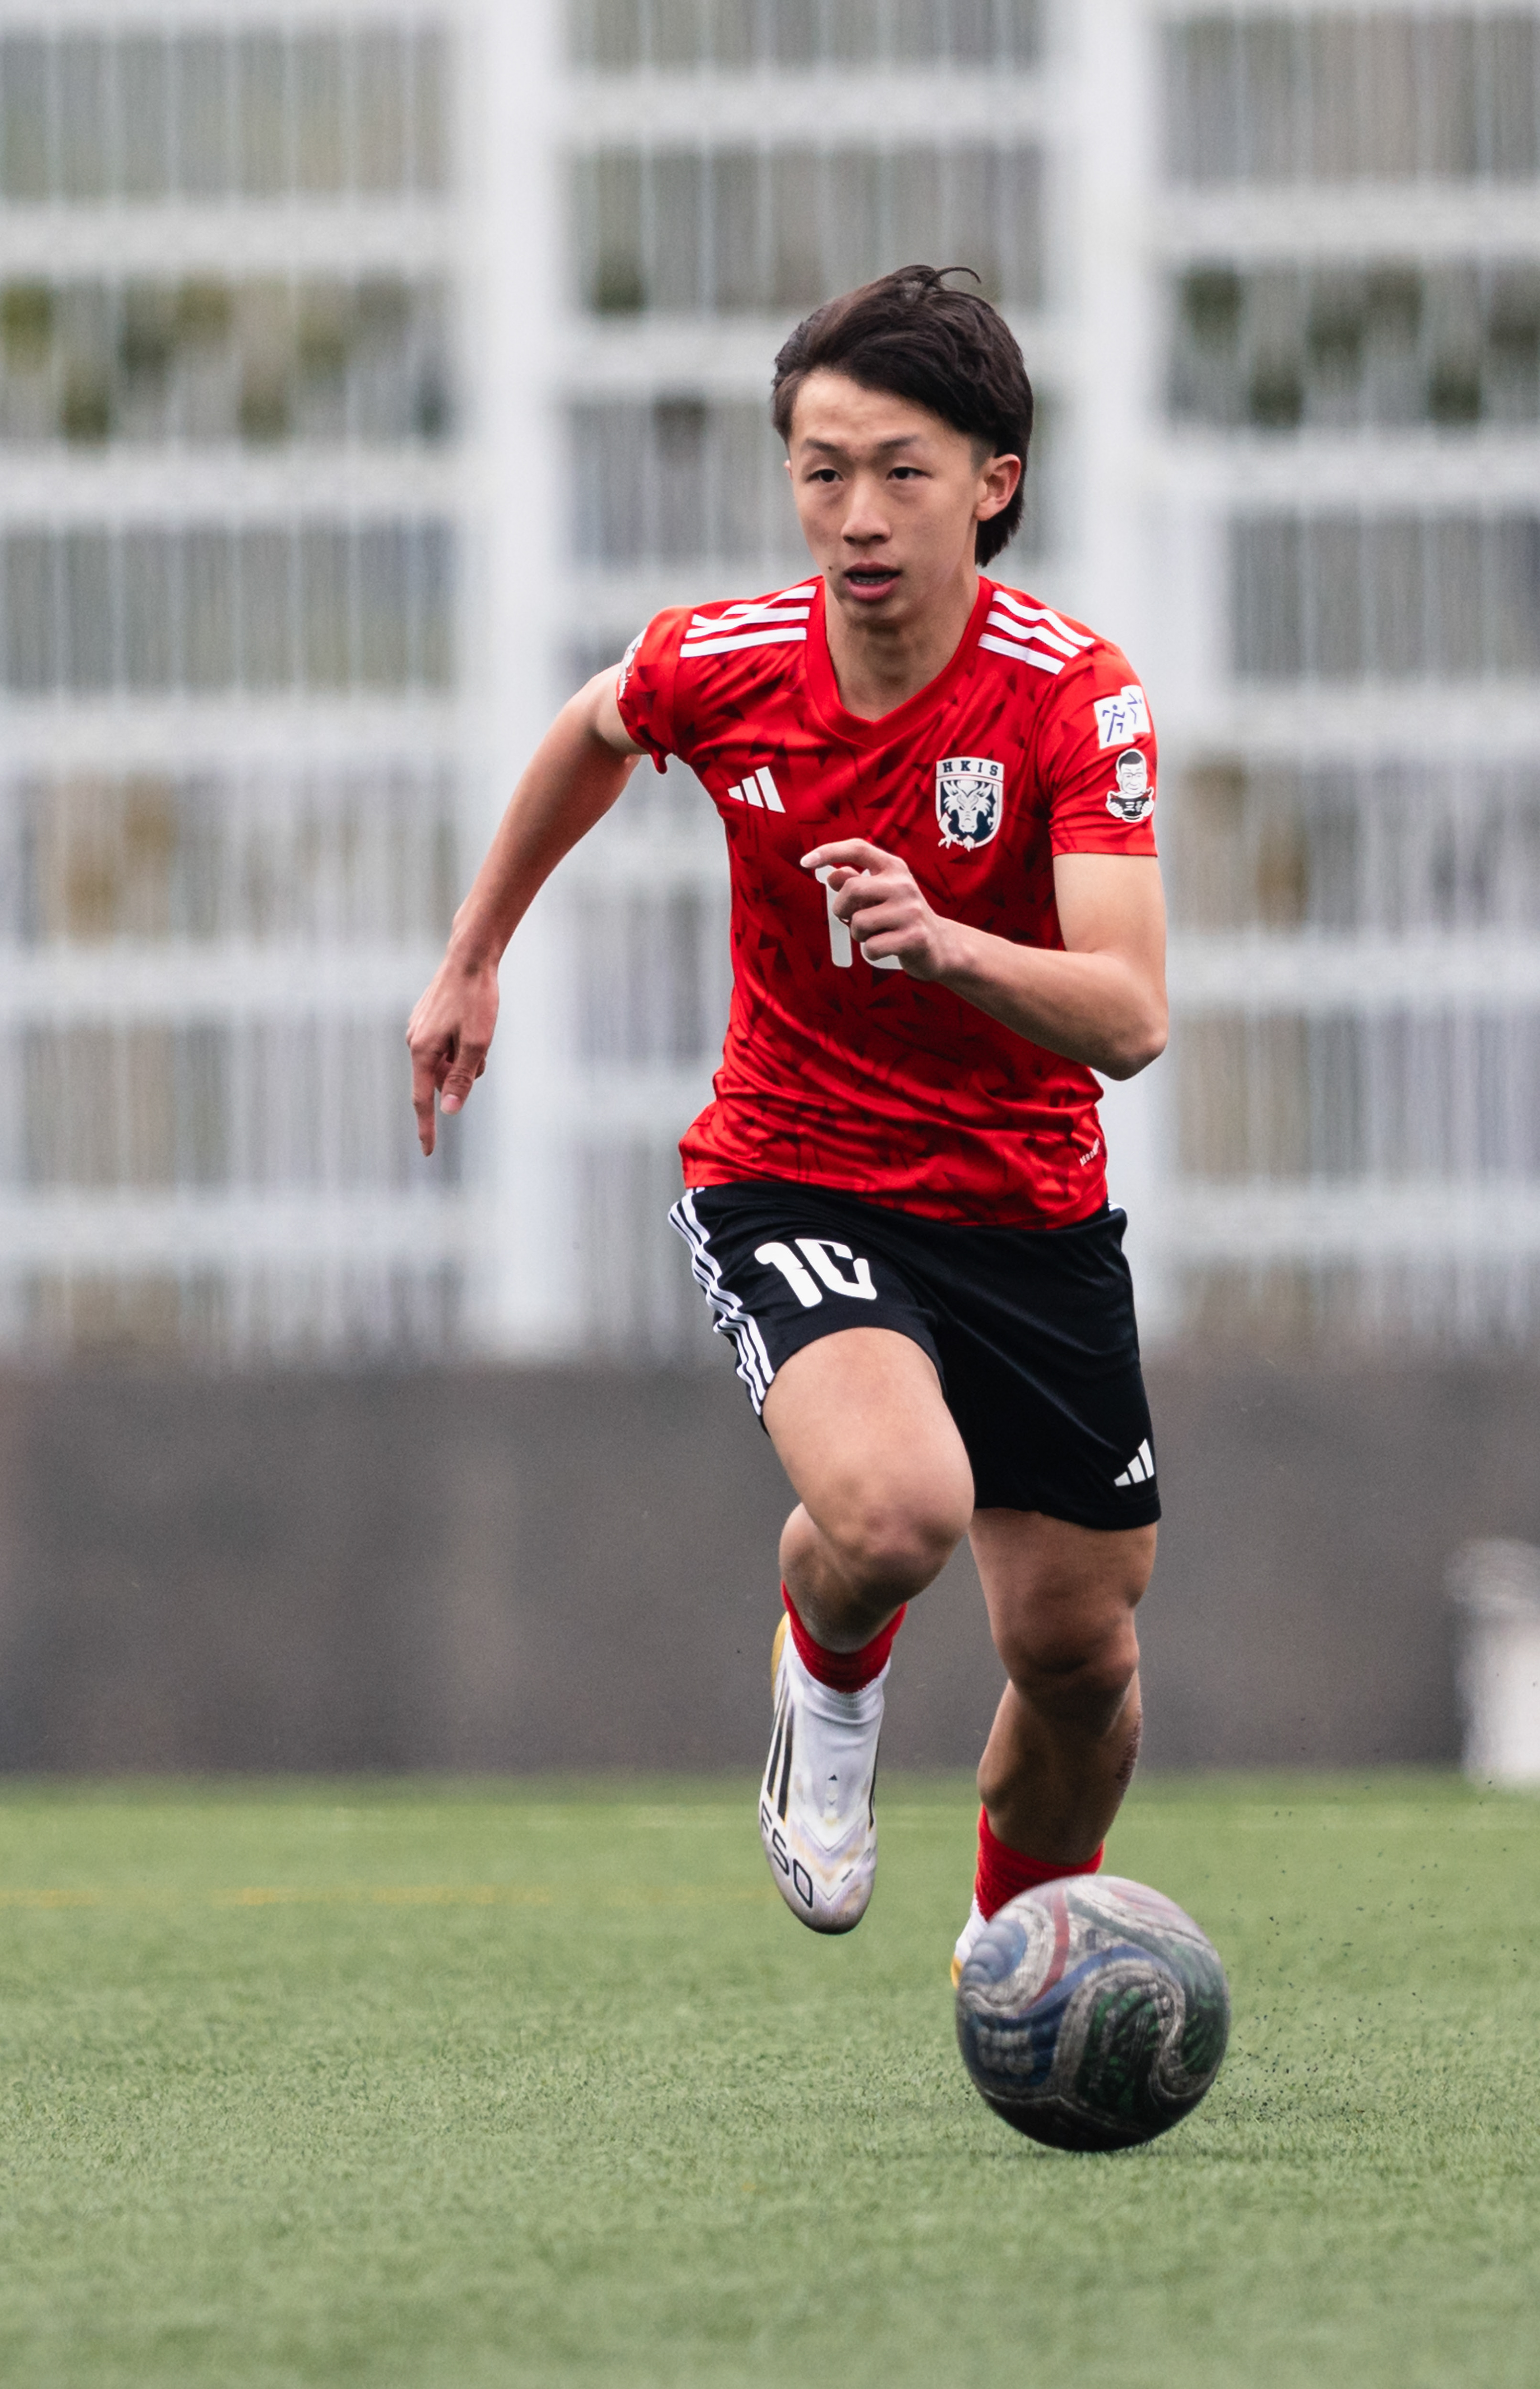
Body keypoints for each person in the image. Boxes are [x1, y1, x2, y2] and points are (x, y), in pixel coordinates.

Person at [407, 265, 1167, 1976]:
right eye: (822, 471)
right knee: (896, 1511)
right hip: (794, 1169)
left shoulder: (1070, 695)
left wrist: (950, 938)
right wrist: (472, 962)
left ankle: (1020, 1964)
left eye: (902, 469)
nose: (857, 514)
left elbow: (1132, 1016)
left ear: (996, 480)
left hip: (1030, 1211)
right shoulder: (731, 660)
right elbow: (598, 729)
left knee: (1082, 1662)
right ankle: (828, 1675)